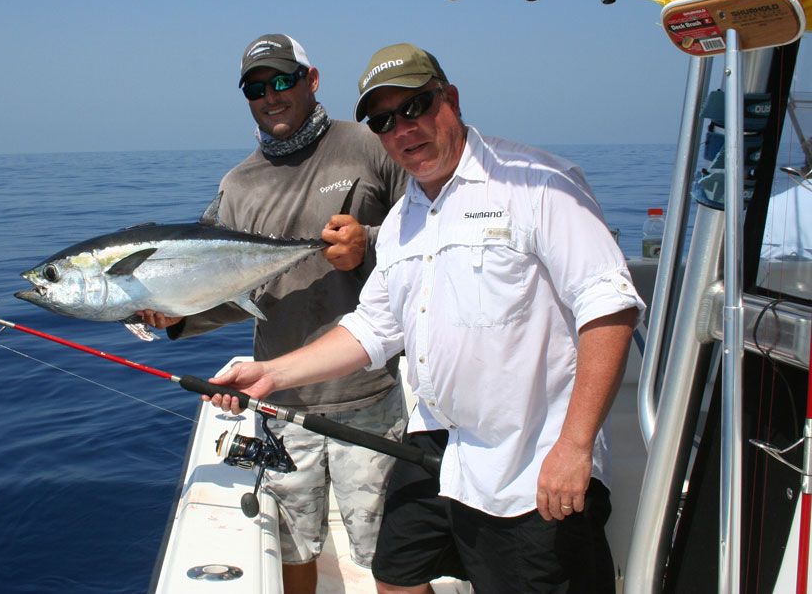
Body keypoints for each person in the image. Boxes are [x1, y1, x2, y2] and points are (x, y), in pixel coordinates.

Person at [206, 43, 645, 593]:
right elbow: (373, 327)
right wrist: (271, 375)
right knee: (395, 574)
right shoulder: (402, 219)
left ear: (450, 100)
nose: (403, 130)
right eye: (385, 121)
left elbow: (609, 305)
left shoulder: (538, 183)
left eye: (415, 107)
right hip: (444, 446)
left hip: (533, 455)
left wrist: (575, 446)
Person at [139, 34, 408, 594]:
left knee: (393, 559)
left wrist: (371, 242)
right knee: (290, 549)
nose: (271, 95)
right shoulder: (237, 185)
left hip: (372, 395)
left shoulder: (370, 144)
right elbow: (225, 287)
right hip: (281, 402)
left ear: (312, 80)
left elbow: (438, 227)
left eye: (283, 80)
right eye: (256, 87)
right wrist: (175, 316)